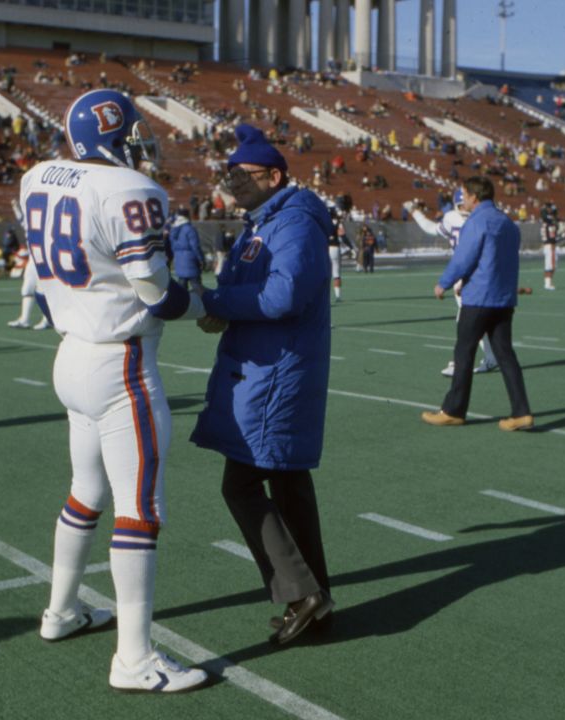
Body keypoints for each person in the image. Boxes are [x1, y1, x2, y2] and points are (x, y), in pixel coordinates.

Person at [20, 89, 208, 693]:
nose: (137, 145)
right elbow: (159, 295)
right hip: (121, 361)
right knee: (140, 506)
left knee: (85, 491)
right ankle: (133, 659)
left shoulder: (36, 176)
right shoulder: (131, 190)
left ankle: (61, 611)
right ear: (111, 135)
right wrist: (203, 298)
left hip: (69, 352)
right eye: (129, 133)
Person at [190, 124, 335, 646]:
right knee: (290, 485)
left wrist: (219, 305)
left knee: (242, 484)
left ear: (275, 176)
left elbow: (281, 298)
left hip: (276, 372)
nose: (234, 184)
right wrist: (213, 303)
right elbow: (242, 290)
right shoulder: (262, 223)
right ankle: (317, 600)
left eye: (243, 176)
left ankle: (302, 592)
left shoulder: (294, 223)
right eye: (229, 175)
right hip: (262, 365)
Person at [421, 175, 534, 432]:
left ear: (474, 196)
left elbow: (465, 257)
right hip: (503, 299)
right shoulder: (507, 222)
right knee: (506, 356)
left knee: (464, 352)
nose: (462, 199)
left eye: (463, 194)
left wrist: (444, 282)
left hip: (479, 297)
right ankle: (521, 411)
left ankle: (453, 410)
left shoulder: (476, 222)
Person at [405, 193, 497, 376]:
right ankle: (491, 357)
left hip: (469, 275)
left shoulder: (457, 218)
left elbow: (432, 228)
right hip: (479, 274)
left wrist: (415, 212)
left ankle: (460, 362)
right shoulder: (481, 217)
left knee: (467, 321)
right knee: (478, 320)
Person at [7, 246, 51, 330]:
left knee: (43, 289)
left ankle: (47, 320)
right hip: (32, 258)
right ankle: (24, 319)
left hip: (44, 257)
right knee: (27, 289)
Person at [167, 208, 206, 292]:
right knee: (197, 285)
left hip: (179, 260)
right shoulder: (189, 229)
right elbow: (195, 246)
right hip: (190, 260)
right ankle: (203, 303)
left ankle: (181, 304)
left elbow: (172, 246)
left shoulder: (173, 229)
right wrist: (201, 259)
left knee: (182, 286)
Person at [540, 200, 560, 291]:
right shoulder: (549, 224)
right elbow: (552, 216)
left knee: (550, 265)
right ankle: (548, 284)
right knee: (551, 265)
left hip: (548, 245)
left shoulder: (546, 223)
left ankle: (547, 283)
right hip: (550, 245)